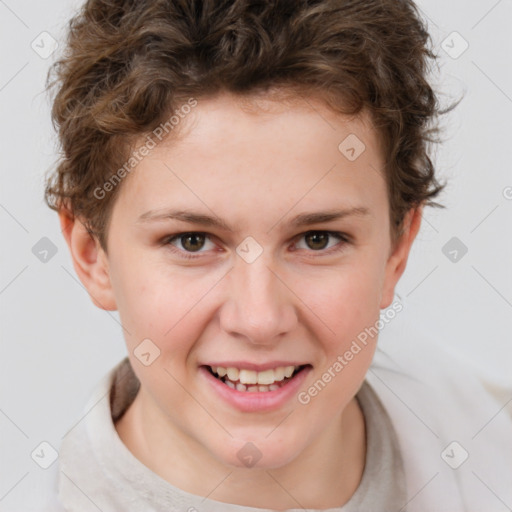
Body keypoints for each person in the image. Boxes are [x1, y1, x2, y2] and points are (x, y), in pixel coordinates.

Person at [41, 0, 512, 510]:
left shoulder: (490, 442)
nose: (260, 320)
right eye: (192, 241)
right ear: (93, 255)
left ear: (397, 249)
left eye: (317, 239)